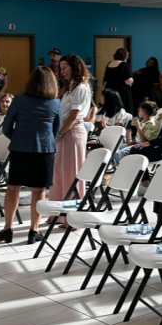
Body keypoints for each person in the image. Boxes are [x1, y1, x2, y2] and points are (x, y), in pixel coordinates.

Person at [0, 67, 61, 244]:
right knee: (38, 191)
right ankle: (33, 231)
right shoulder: (55, 103)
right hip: (45, 150)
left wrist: (18, 137)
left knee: (13, 188)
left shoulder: (18, 99)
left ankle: (7, 229)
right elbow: (55, 131)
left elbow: (6, 127)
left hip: (20, 148)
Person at [48, 54, 91, 227]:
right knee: (58, 173)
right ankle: (57, 212)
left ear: (75, 68)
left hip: (72, 132)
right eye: (62, 68)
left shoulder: (81, 87)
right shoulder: (71, 86)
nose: (62, 71)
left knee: (71, 174)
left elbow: (73, 115)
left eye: (66, 67)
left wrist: (59, 134)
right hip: (64, 130)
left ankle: (71, 218)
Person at [102, 47, 135, 114]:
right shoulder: (124, 64)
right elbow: (129, 80)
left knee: (111, 110)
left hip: (110, 91)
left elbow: (104, 82)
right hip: (121, 91)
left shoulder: (109, 64)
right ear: (125, 56)